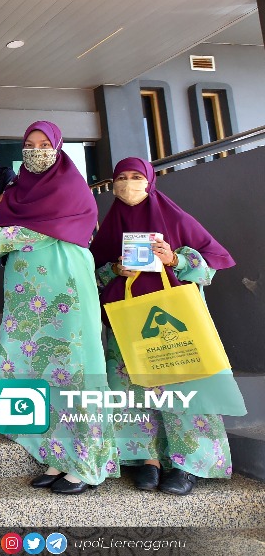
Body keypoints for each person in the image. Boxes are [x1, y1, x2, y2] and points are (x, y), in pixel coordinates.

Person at [0, 121, 118, 494]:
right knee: (34, 366)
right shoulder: (18, 190)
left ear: (57, 147)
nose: (36, 151)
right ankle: (57, 455)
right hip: (26, 293)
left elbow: (45, 231)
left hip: (64, 286)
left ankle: (86, 464)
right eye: (29, 144)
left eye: (43, 144)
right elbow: (9, 240)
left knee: (73, 368)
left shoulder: (72, 187)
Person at [91, 157, 244, 495]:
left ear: (151, 180)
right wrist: (115, 271)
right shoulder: (112, 224)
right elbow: (94, 275)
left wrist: (174, 259)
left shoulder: (175, 219)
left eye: (135, 177)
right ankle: (146, 460)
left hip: (174, 322)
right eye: (121, 178)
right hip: (128, 321)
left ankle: (189, 464)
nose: (128, 184)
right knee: (132, 390)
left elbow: (208, 269)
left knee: (184, 391)